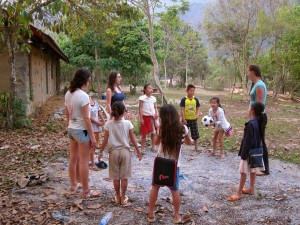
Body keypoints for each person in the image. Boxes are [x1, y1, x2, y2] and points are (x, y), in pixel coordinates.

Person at [147, 104, 191, 224]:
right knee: (174, 190)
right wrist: (185, 132)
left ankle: (150, 213)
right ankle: (176, 216)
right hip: (174, 165)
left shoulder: (162, 128)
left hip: (160, 162)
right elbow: (188, 142)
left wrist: (157, 132)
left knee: (155, 187)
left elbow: (156, 142)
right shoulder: (183, 129)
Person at [65, 68, 100, 198]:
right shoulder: (83, 96)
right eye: (89, 80)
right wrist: (92, 137)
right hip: (82, 130)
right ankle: (86, 191)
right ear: (84, 80)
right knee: (84, 161)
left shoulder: (68, 93)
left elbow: (67, 113)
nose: (89, 83)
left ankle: (74, 185)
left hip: (72, 129)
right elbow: (86, 118)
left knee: (73, 158)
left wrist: (69, 125)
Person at [98, 101, 142, 205]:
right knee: (124, 177)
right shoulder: (127, 123)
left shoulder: (108, 124)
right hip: (125, 152)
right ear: (123, 112)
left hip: (113, 152)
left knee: (116, 177)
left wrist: (100, 152)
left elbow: (105, 140)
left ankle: (117, 197)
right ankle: (123, 197)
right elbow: (133, 139)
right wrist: (138, 151)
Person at [228, 102, 265, 201]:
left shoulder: (250, 124)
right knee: (252, 170)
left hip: (248, 152)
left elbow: (248, 141)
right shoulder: (258, 121)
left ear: (252, 109)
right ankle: (251, 189)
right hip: (256, 150)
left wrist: (243, 155)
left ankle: (239, 192)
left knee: (243, 172)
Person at [248, 64, 269, 175]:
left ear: (252, 72)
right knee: (256, 141)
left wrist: (254, 118)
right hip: (255, 117)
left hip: (259, 118)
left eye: (248, 71)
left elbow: (260, 105)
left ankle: (264, 169)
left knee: (261, 142)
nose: (248, 74)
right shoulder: (256, 84)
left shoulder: (260, 85)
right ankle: (257, 166)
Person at [139, 84, 159, 153]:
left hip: (152, 117)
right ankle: (142, 149)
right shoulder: (142, 98)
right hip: (145, 117)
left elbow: (155, 107)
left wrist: (157, 113)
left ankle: (153, 146)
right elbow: (140, 108)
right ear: (145, 90)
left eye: (152, 88)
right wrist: (141, 118)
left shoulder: (153, 98)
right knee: (144, 133)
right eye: (149, 88)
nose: (151, 90)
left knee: (153, 132)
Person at [180, 84, 200, 151]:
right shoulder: (184, 99)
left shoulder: (196, 100)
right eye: (191, 91)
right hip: (186, 120)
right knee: (182, 133)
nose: (192, 92)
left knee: (195, 133)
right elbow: (182, 109)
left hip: (193, 119)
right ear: (187, 91)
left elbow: (198, 108)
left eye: (193, 91)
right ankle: (180, 147)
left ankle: (196, 148)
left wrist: (197, 114)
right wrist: (183, 119)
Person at [89, 94, 105, 171]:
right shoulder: (85, 104)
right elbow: (88, 116)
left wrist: (103, 120)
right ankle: (92, 164)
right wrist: (97, 122)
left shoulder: (95, 102)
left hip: (96, 128)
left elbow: (99, 112)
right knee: (91, 146)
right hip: (90, 128)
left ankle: (90, 160)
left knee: (94, 145)